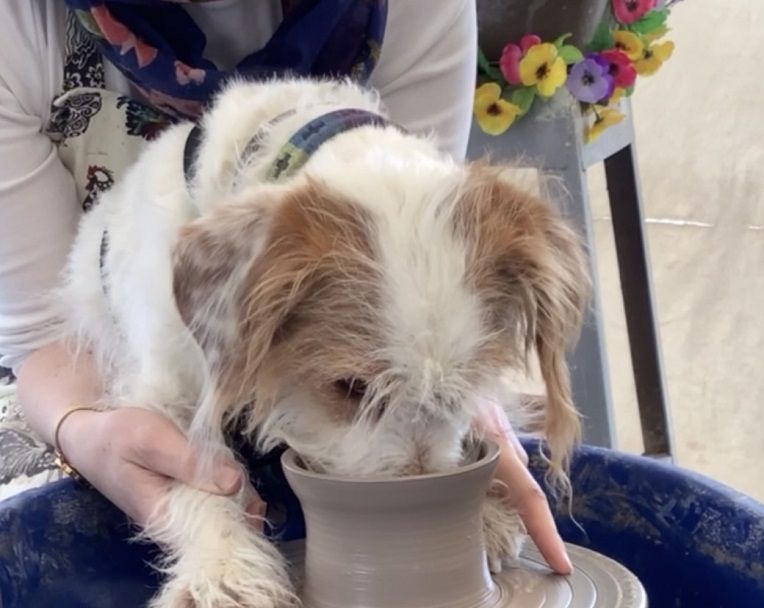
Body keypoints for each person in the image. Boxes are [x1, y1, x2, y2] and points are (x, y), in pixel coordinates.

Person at [0, 0, 573, 575]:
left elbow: (424, 255)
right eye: (353, 389)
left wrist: (460, 408)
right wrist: (82, 428)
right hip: (65, 370)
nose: (412, 481)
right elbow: (42, 334)